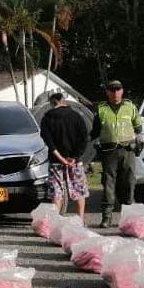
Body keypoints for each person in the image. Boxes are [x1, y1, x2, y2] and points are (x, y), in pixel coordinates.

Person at [90, 80, 143, 228]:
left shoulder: (130, 107)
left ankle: (129, 218)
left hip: (128, 151)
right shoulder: (101, 109)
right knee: (108, 183)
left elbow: (139, 128)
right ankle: (107, 217)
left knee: (129, 183)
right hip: (109, 151)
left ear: (122, 91)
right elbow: (94, 132)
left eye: (118, 90)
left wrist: (139, 142)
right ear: (107, 92)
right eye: (112, 90)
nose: (115, 93)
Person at [39, 92, 90, 221]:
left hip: (56, 161)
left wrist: (60, 158)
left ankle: (56, 222)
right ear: (63, 101)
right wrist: (74, 156)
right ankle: (80, 220)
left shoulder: (47, 118)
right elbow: (84, 138)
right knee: (79, 190)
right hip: (75, 162)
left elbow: (49, 143)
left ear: (52, 103)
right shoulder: (76, 116)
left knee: (57, 193)